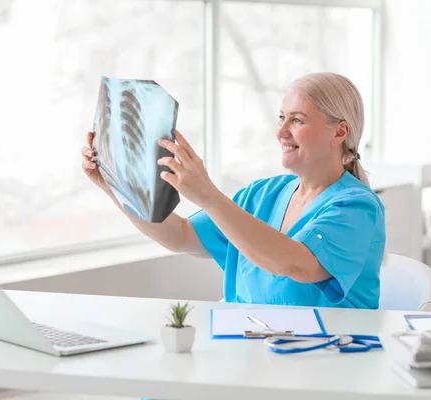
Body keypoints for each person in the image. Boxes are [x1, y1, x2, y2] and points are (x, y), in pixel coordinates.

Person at [81, 72, 385, 309]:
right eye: (281, 117)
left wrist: (208, 195)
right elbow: (181, 235)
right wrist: (112, 184)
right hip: (252, 353)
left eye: (297, 120)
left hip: (325, 363)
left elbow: (293, 263)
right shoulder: (263, 194)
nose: (281, 132)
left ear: (340, 132)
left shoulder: (357, 207)